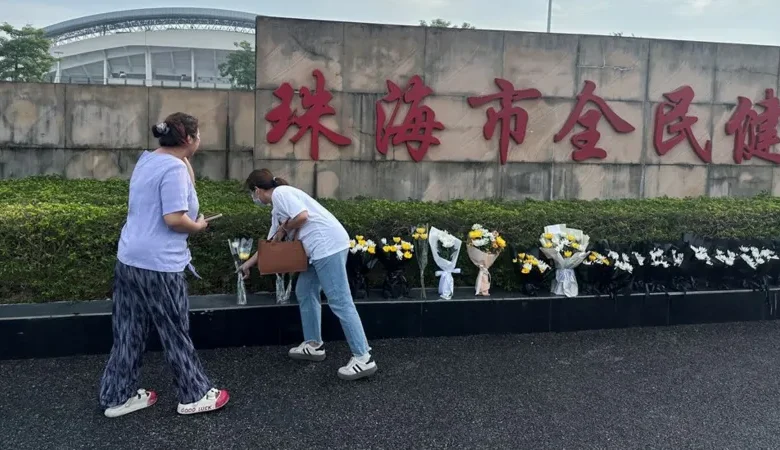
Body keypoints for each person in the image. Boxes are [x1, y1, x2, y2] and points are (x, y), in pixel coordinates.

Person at [98, 112, 229, 418]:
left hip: (129, 258)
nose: (200, 140)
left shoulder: (148, 160)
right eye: (198, 135)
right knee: (174, 330)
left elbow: (185, 186)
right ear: (190, 139)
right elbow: (174, 219)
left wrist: (185, 156)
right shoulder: (174, 168)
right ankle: (194, 395)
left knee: (128, 330)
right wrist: (198, 226)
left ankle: (117, 396)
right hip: (160, 264)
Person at [240, 169, 378, 380]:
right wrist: (247, 264)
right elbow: (270, 243)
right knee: (305, 290)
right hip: (317, 251)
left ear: (257, 190)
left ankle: (363, 357)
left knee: (340, 301)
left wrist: (285, 228)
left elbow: (302, 217)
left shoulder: (281, 193)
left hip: (327, 247)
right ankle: (314, 345)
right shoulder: (277, 208)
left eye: (253, 193)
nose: (254, 198)